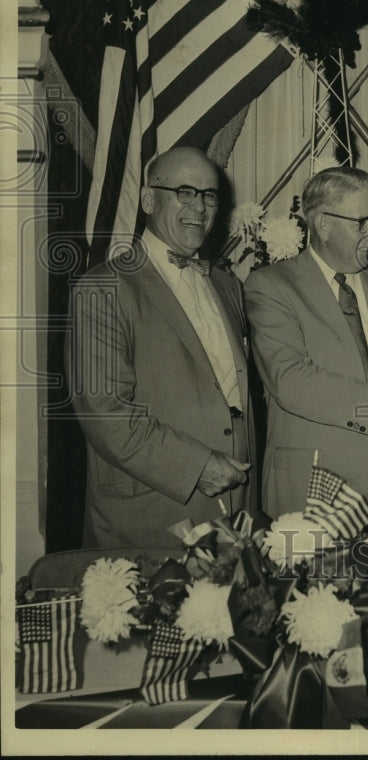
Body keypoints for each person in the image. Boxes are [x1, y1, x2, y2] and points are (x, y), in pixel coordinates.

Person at [65, 147, 255, 547]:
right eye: (185, 192)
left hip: (235, 520)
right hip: (150, 520)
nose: (200, 207)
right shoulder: (104, 288)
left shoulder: (227, 286)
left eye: (209, 195)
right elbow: (106, 415)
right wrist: (198, 465)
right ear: (149, 199)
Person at [244, 167, 368, 544]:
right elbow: (291, 380)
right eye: (362, 223)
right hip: (311, 500)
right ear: (322, 223)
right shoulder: (270, 287)